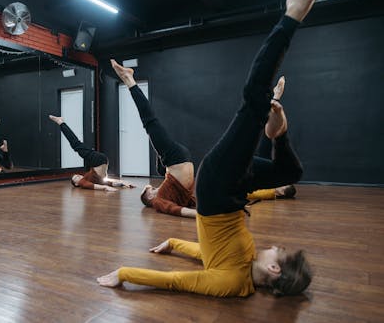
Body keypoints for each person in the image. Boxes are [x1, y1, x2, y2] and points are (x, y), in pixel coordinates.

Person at [98, 0, 318, 297]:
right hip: (231, 192)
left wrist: (124, 273)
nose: (274, 246)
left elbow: (176, 280)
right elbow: (209, 251)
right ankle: (276, 131)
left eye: (279, 251)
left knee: (253, 100)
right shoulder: (246, 261)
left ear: (274, 269)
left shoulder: (229, 283)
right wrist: (173, 243)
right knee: (291, 174)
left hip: (215, 187)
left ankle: (291, 15)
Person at [109, 63, 296, 219]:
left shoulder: (167, 192)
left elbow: (183, 204)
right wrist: (206, 213)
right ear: (148, 198)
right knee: (150, 123)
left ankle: (129, 80)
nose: (151, 190)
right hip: (180, 160)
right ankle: (129, 79)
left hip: (177, 163)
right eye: (148, 191)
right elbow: (177, 209)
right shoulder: (160, 201)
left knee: (151, 126)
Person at [49, 115, 135, 191]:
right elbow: (97, 185)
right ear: (76, 184)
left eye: (77, 175)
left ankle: (61, 122)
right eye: (76, 178)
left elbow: (106, 183)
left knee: (76, 145)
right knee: (76, 144)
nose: (78, 176)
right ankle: (60, 122)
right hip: (98, 161)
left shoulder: (88, 179)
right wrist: (108, 187)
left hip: (100, 161)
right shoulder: (82, 183)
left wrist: (122, 184)